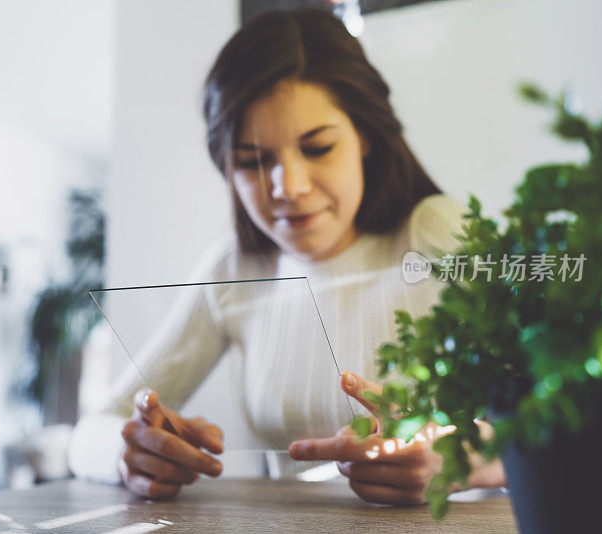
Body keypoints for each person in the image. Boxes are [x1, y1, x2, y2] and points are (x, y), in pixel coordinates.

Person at [68, 8, 506, 504]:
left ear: (364, 137)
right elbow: (92, 430)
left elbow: (567, 410)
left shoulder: (436, 232)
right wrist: (130, 453)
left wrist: (465, 458)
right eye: (254, 162)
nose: (288, 187)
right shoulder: (234, 272)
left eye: (317, 148)